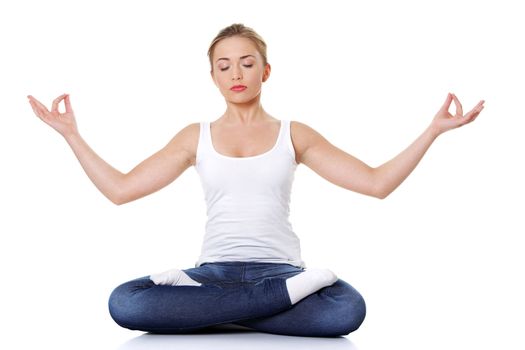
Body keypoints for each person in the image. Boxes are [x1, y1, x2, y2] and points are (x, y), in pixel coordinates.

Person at [27, 23, 485, 337]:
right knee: (123, 303)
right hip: (212, 274)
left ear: (265, 71)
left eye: (247, 63)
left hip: (280, 269)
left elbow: (376, 182)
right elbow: (120, 190)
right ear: (213, 77)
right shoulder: (195, 137)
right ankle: (262, 304)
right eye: (224, 66)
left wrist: (432, 132)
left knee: (348, 310)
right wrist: (72, 135)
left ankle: (208, 317)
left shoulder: (295, 134)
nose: (236, 73)